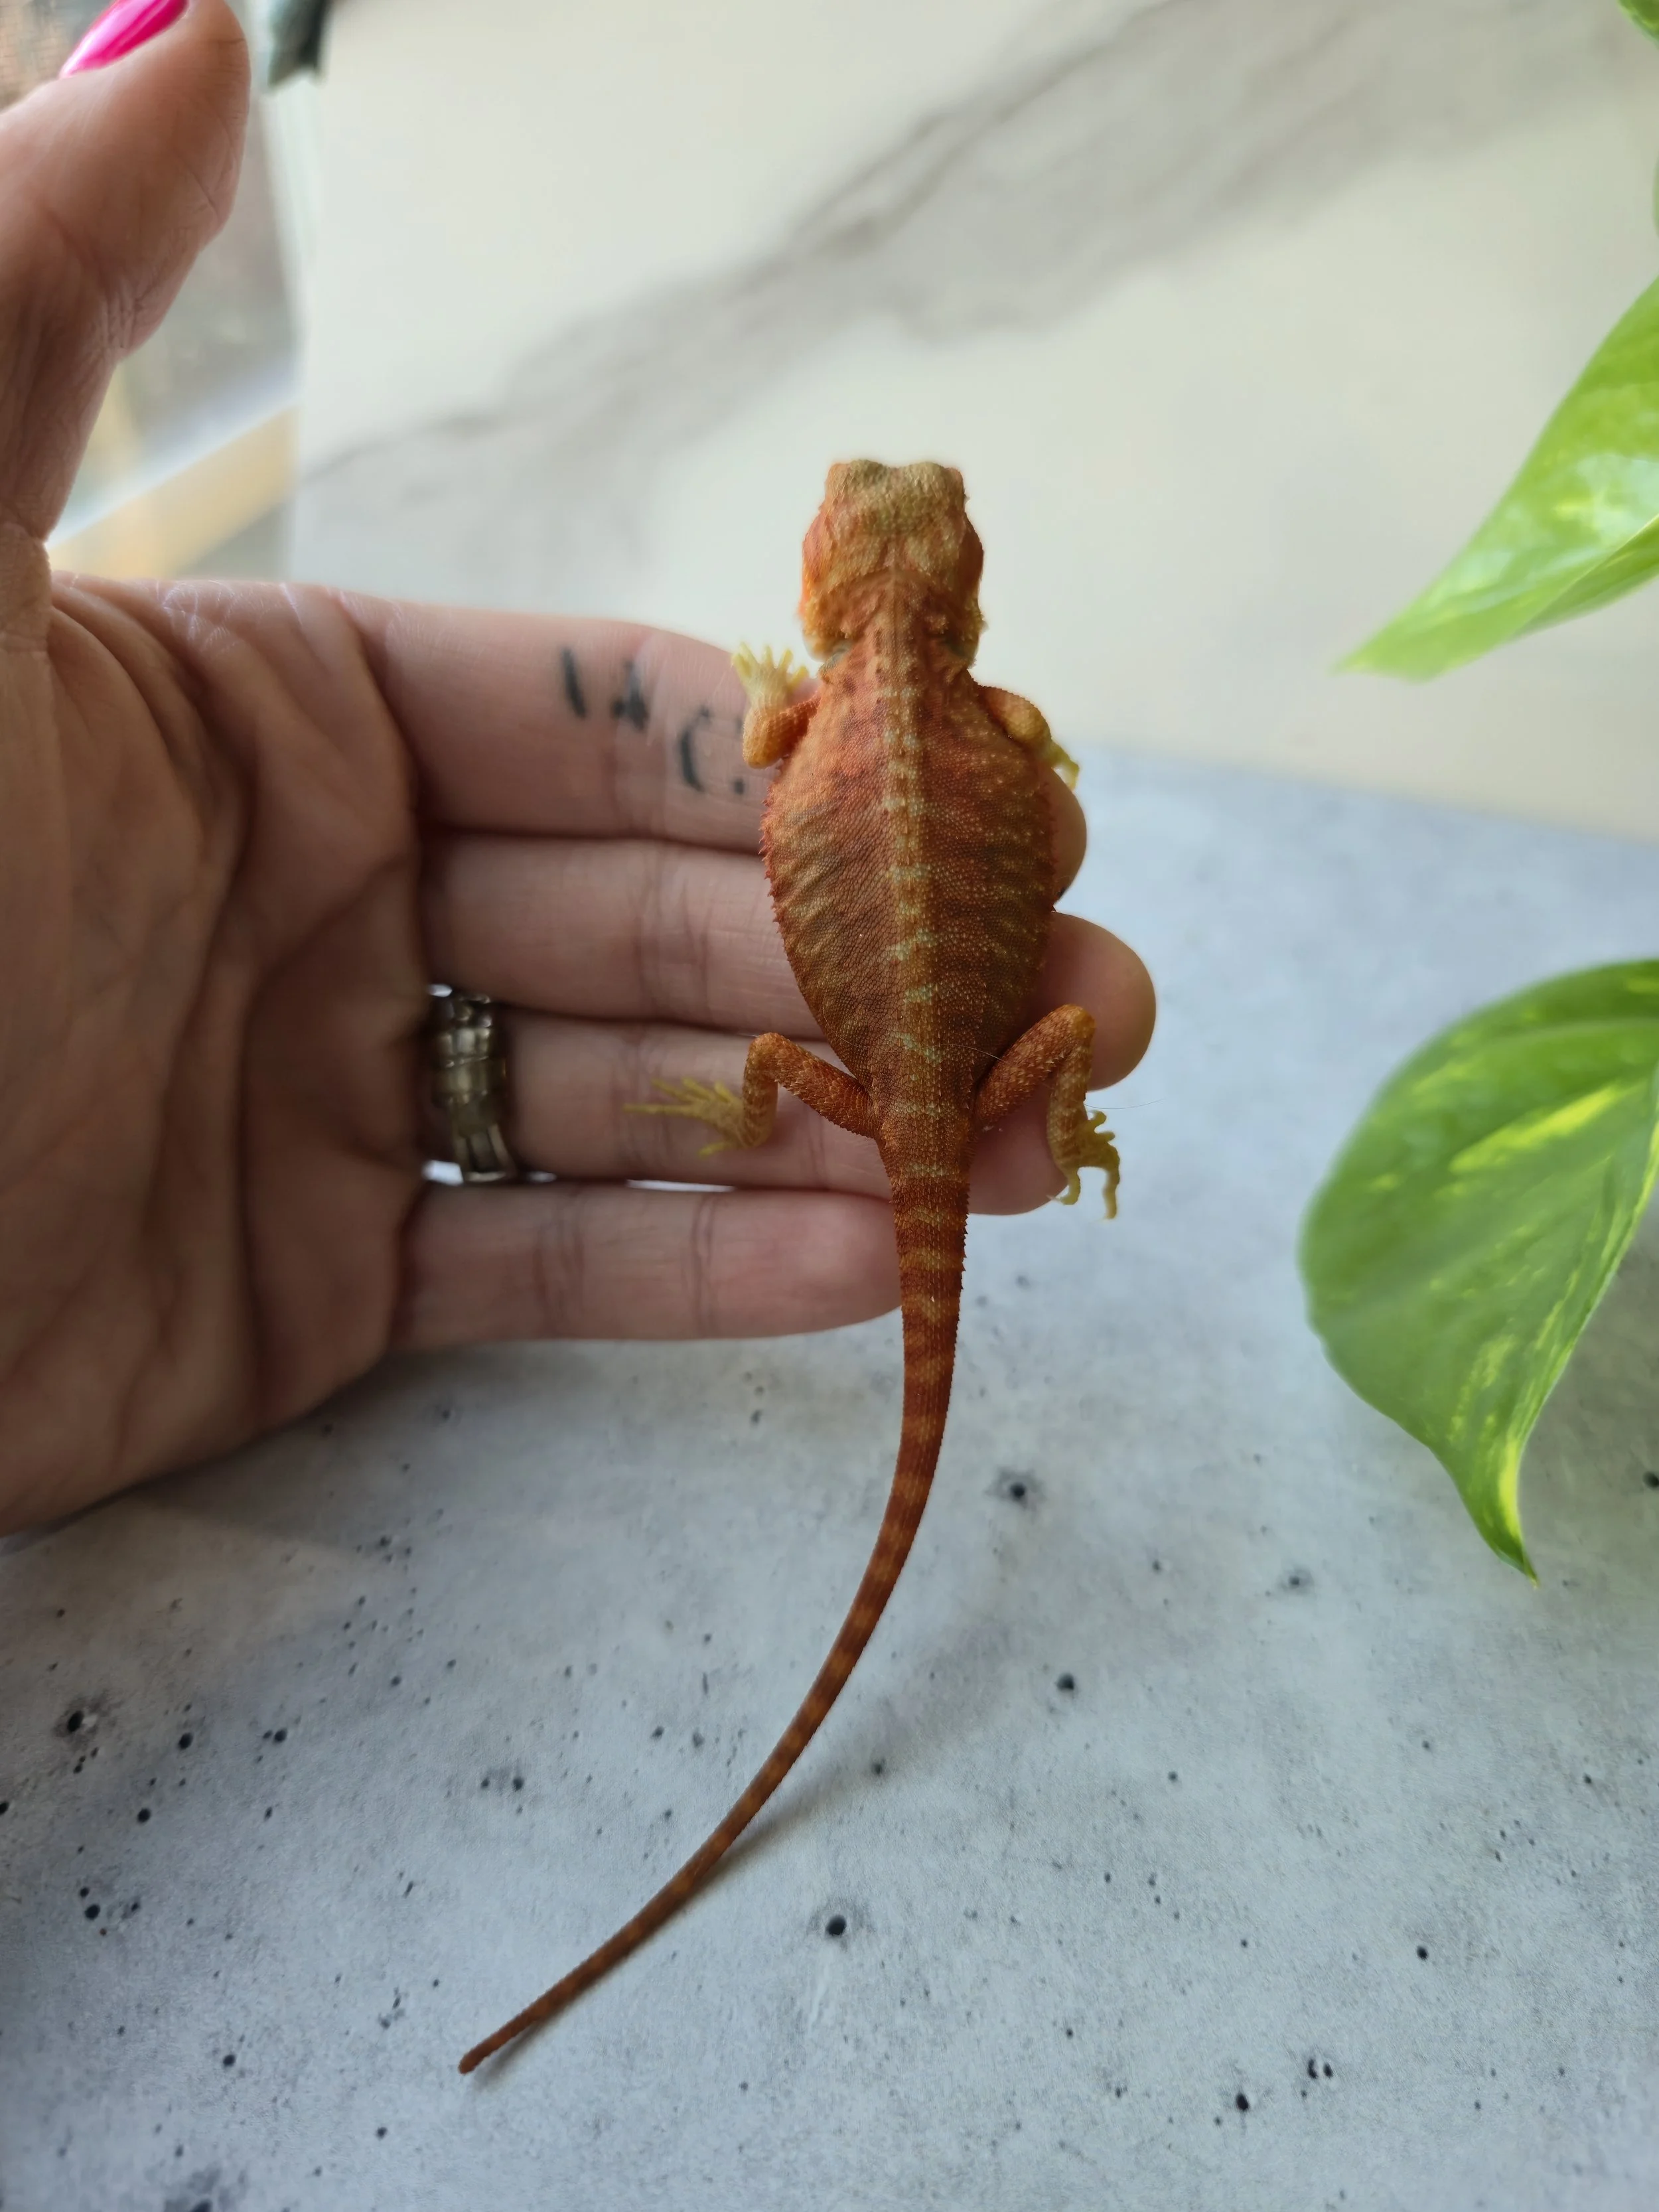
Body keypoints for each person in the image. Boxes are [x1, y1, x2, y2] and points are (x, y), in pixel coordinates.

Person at [0, 0, 1155, 1536]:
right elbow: (1025, 747)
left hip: (871, 1080)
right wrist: (1053, 1086)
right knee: (1070, 1020)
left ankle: (910, 1135)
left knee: (916, 1043)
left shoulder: (804, 722)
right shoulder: (987, 715)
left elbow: (763, 740)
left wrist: (778, 703)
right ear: (959, 584)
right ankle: (1056, 1132)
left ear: (824, 582)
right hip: (926, 1081)